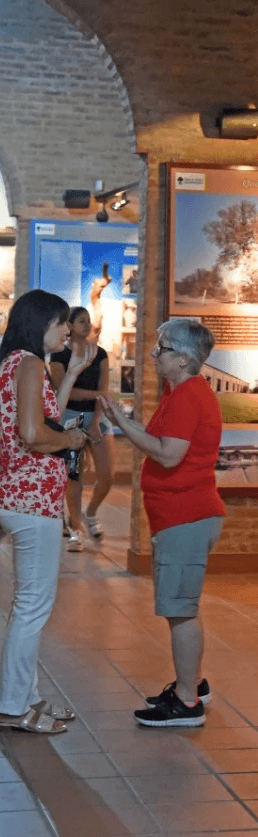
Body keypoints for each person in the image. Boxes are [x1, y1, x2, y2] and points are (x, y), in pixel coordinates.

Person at [99, 318, 225, 728]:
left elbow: (167, 455)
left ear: (185, 359)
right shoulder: (181, 393)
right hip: (178, 516)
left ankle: (188, 704)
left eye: (163, 348)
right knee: (181, 606)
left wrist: (122, 425)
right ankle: (194, 683)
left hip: (186, 516)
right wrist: (124, 421)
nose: (155, 354)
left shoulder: (190, 396)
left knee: (181, 610)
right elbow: (161, 446)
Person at [0, 289, 95, 734]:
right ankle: (14, 706)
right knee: (32, 607)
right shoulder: (31, 363)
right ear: (42, 323)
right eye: (61, 323)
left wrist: (73, 371)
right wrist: (72, 441)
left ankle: (28, 697)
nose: (67, 331)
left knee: (28, 607)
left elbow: (45, 411)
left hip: (17, 495)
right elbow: (36, 433)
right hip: (31, 499)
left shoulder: (15, 363)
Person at [50, 306, 114, 549]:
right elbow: (63, 391)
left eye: (88, 321)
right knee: (74, 476)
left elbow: (104, 389)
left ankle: (91, 512)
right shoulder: (59, 354)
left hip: (98, 417)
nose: (87, 325)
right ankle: (75, 529)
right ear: (70, 325)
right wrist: (97, 394)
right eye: (81, 321)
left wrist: (97, 421)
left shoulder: (100, 354)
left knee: (107, 474)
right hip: (71, 419)